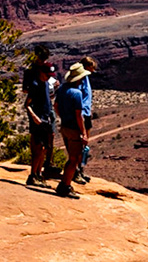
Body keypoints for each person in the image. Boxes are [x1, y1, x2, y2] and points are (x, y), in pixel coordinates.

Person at [21, 46, 58, 188]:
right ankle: (33, 175)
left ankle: (39, 174)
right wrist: (34, 116)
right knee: (38, 147)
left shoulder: (44, 80)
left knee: (44, 147)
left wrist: (52, 89)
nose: (43, 60)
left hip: (46, 114)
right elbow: (27, 100)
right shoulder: (34, 78)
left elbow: (49, 95)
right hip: (38, 114)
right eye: (41, 58)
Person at [54, 62, 90, 198]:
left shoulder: (62, 89)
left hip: (64, 127)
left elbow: (56, 105)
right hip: (74, 129)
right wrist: (84, 133)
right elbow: (78, 115)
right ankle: (65, 186)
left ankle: (65, 184)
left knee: (71, 156)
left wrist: (63, 116)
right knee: (74, 159)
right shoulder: (77, 93)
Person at [76, 56, 98, 184]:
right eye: (91, 68)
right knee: (81, 143)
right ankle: (77, 171)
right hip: (83, 114)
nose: (92, 71)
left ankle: (81, 170)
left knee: (84, 145)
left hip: (86, 113)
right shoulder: (80, 79)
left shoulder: (86, 78)